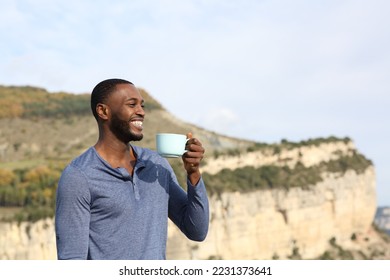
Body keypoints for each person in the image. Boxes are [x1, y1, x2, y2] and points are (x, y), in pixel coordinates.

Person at [55, 78, 209, 260]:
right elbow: (72, 260)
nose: (141, 112)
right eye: (132, 104)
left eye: (142, 106)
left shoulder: (156, 164)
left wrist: (193, 173)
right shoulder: (79, 176)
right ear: (103, 111)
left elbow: (196, 231)